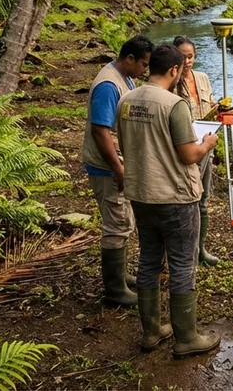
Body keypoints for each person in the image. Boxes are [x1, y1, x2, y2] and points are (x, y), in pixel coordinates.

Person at [117, 44, 221, 357]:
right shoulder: (174, 105)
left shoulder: (126, 100)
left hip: (141, 194)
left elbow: (124, 142)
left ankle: (151, 331)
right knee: (181, 264)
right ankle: (186, 337)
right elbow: (188, 154)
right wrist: (208, 143)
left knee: (149, 259)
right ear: (174, 70)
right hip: (175, 196)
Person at [82, 34, 153, 307]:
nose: (145, 70)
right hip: (106, 168)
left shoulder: (124, 78)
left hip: (116, 165)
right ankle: (114, 290)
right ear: (130, 58)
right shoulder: (109, 85)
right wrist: (119, 169)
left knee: (123, 221)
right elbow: (101, 132)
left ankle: (121, 276)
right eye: (143, 64)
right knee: (117, 224)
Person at [171, 35, 221, 266]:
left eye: (190, 57)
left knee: (204, 199)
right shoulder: (170, 82)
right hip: (185, 149)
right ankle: (185, 252)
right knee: (187, 200)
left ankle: (201, 249)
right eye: (182, 57)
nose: (187, 61)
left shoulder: (202, 78)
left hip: (206, 146)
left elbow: (209, 105)